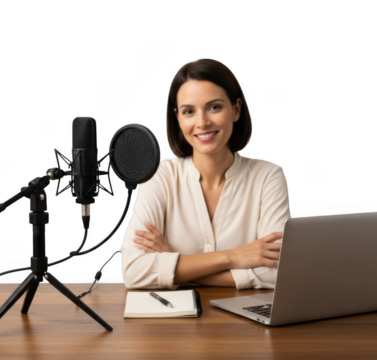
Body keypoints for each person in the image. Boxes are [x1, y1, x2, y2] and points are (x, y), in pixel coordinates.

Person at [120, 58, 290, 289]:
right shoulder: (160, 176)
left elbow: (278, 273)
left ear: (236, 110)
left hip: (245, 322)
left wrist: (175, 262)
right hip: (172, 323)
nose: (202, 122)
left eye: (214, 107)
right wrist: (234, 257)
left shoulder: (268, 176)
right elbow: (133, 271)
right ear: (178, 118)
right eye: (189, 111)